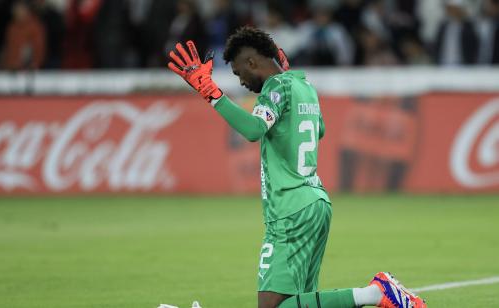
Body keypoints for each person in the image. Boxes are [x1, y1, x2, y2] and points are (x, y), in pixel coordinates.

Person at [167, 26, 426, 308]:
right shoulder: (304, 86)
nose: (240, 81)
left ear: (253, 62)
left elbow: (254, 130)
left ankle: (375, 293)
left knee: (272, 306)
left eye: (239, 72)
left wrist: (211, 94)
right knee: (299, 303)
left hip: (290, 209)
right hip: (316, 203)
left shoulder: (275, 87)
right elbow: (321, 130)